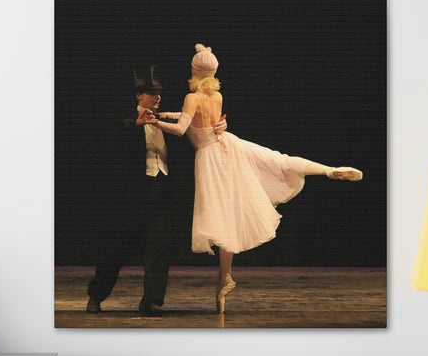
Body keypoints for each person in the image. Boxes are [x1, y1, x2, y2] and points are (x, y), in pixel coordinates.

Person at [151, 44, 363, 314]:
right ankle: (327, 169)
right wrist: (166, 115)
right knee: (278, 160)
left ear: (193, 70)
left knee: (222, 217)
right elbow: (192, 119)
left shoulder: (191, 98)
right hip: (228, 145)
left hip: (210, 158)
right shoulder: (216, 95)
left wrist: (155, 122)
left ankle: (224, 276)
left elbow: (183, 128)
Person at [85, 64, 227, 316]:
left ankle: (151, 301)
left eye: (159, 92)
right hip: (130, 196)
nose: (157, 96)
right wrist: (134, 125)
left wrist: (218, 127)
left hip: (160, 193)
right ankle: (97, 296)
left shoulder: (166, 121)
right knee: (116, 249)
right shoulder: (124, 120)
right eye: (151, 92)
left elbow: (197, 129)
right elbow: (106, 144)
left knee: (159, 249)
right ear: (139, 96)